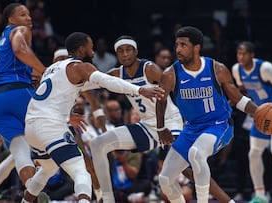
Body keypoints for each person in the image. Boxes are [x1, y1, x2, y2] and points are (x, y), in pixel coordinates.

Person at [90, 35, 238, 203]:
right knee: (98, 143)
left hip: (170, 122)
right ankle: (106, 199)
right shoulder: (117, 74)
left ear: (136, 51)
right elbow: (91, 81)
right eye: (120, 51)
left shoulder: (150, 69)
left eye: (128, 50)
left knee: (188, 170)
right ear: (116, 54)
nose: (125, 54)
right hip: (147, 126)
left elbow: (175, 88)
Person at [21, 31, 164, 203]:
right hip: (49, 126)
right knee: (82, 172)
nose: (94, 52)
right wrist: (139, 90)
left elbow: (51, 99)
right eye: (91, 48)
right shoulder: (81, 66)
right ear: (82, 50)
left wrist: (67, 115)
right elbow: (106, 82)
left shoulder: (51, 69)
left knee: (48, 168)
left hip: (31, 126)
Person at [156, 26, 259, 203]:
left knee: (196, 153)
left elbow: (238, 99)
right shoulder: (170, 75)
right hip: (191, 128)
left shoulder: (216, 69)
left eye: (183, 45)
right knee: (165, 179)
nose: (178, 49)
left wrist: (258, 112)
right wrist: (160, 127)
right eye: (177, 45)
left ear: (197, 47)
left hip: (219, 124)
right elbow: (161, 101)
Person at [0, 2, 46, 203]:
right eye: (22, 14)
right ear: (11, 20)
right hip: (16, 92)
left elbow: (15, 59)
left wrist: (32, 71)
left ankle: (31, 193)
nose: (28, 18)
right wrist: (45, 70)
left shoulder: (0, 40)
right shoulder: (20, 30)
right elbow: (20, 49)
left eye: (28, 15)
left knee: (19, 151)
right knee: (56, 127)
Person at [231, 41, 272, 203]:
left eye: (244, 53)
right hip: (261, 113)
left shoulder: (265, 68)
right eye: (239, 53)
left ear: (252, 55)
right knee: (253, 153)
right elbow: (243, 91)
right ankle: (260, 196)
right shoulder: (236, 70)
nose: (241, 56)